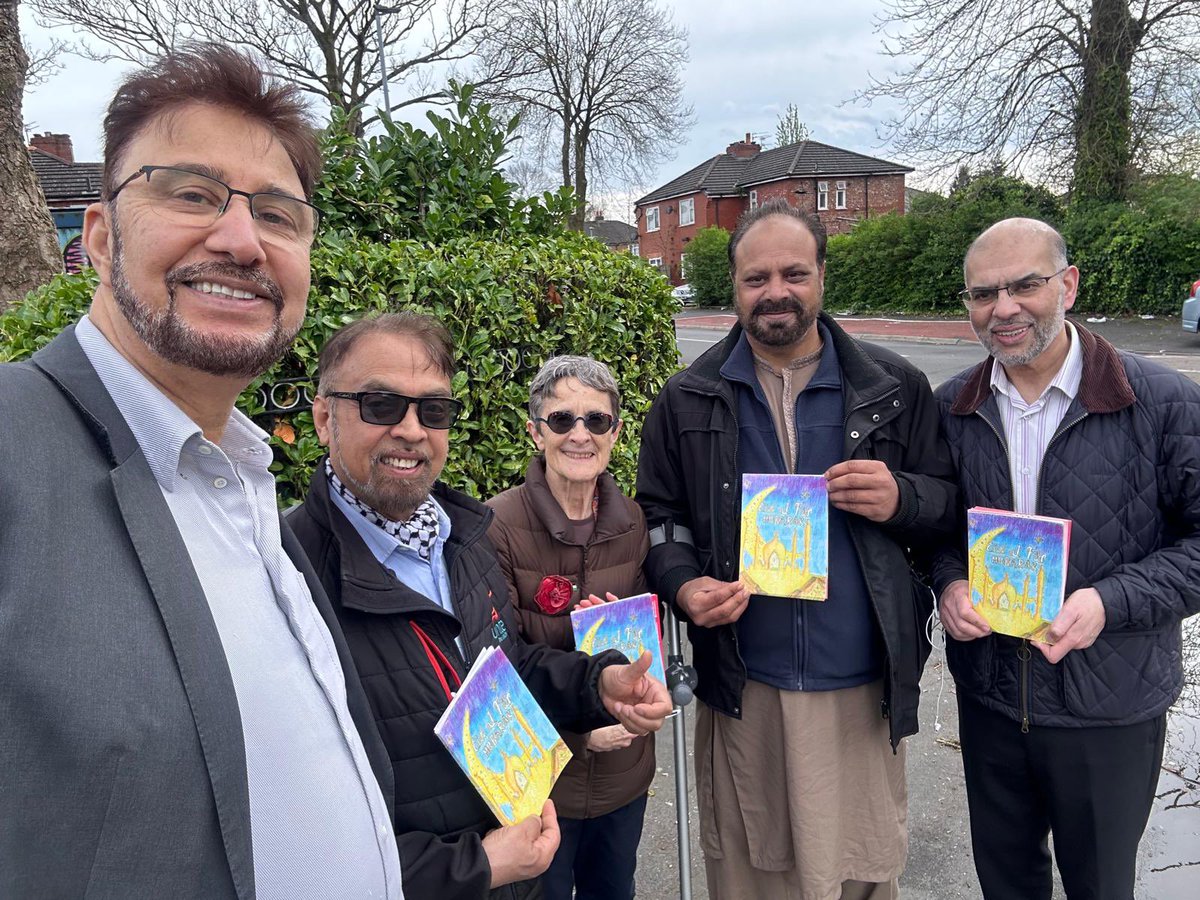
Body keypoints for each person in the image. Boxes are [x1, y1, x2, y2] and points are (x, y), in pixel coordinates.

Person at [0, 46, 402, 898]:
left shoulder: (246, 475)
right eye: (191, 193)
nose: (240, 239)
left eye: (280, 216)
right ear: (100, 236)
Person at [286, 313, 672, 900]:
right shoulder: (288, 577)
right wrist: (477, 866)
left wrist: (600, 684)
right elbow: (293, 832)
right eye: (381, 405)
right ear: (322, 418)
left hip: (521, 855)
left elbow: (507, 668)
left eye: (433, 410)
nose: (412, 430)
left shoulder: (459, 538)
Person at [635, 197, 958, 900]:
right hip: (747, 686)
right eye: (757, 278)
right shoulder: (688, 398)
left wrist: (902, 496)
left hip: (859, 682)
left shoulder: (894, 388)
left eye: (793, 273)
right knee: (756, 870)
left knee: (860, 870)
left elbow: (950, 507)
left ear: (820, 275)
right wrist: (685, 585)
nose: (775, 292)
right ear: (734, 285)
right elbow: (660, 518)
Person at [933, 217, 1200, 900]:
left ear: (1068, 285)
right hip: (992, 700)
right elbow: (933, 530)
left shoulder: (1165, 403)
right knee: (1007, 885)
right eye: (983, 293)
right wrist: (950, 581)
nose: (1004, 309)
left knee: (1101, 887)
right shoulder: (950, 409)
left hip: (1108, 706)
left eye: (1025, 285)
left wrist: (1109, 602)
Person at [486, 356, 653, 900]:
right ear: (536, 432)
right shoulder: (496, 527)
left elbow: (640, 640)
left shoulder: (632, 522)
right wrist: (583, 727)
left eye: (596, 420)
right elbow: (495, 669)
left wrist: (644, 699)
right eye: (562, 420)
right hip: (540, 783)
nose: (580, 434)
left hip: (624, 776)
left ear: (616, 433)